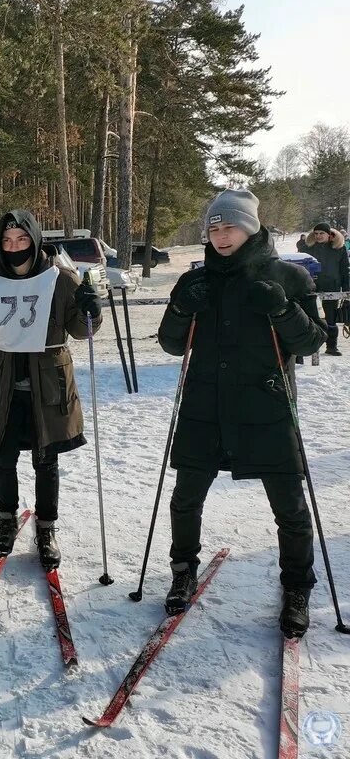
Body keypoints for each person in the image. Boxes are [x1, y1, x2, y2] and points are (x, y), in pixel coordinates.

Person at [158, 189, 327, 637]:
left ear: (250, 227)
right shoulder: (196, 281)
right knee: (186, 498)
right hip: (204, 406)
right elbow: (173, 343)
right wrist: (179, 307)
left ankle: (296, 587)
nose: (220, 236)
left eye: (228, 226)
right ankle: (182, 569)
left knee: (289, 508)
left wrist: (282, 308)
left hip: (266, 406)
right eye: (212, 229)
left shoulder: (288, 276)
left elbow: (313, 342)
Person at [0, 210, 102, 571]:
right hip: (5, 384)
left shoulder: (60, 279)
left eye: (22, 240)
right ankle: (6, 521)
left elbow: (81, 330)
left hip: (47, 384)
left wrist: (92, 309)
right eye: (7, 241)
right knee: (3, 457)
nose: (15, 248)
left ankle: (46, 529)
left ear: (35, 240)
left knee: (47, 460)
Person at [297, 221, 349, 355]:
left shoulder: (339, 249)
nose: (318, 236)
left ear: (329, 235)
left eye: (322, 233)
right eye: (316, 233)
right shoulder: (306, 248)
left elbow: (345, 270)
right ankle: (308, 349)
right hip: (311, 288)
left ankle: (332, 346)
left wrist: (347, 290)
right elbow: (298, 268)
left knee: (330, 319)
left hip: (332, 288)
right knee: (309, 319)